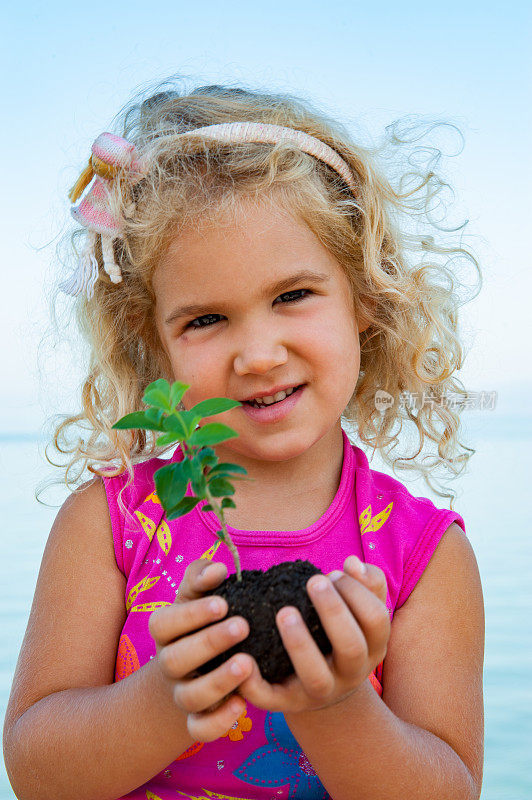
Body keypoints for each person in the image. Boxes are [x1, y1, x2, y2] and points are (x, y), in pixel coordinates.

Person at [3, 81, 485, 800]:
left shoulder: (422, 557)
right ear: (153, 343)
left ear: (366, 300)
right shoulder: (109, 526)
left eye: (292, 296)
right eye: (205, 320)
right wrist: (170, 695)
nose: (257, 355)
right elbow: (39, 774)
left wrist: (335, 705)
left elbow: (449, 788)